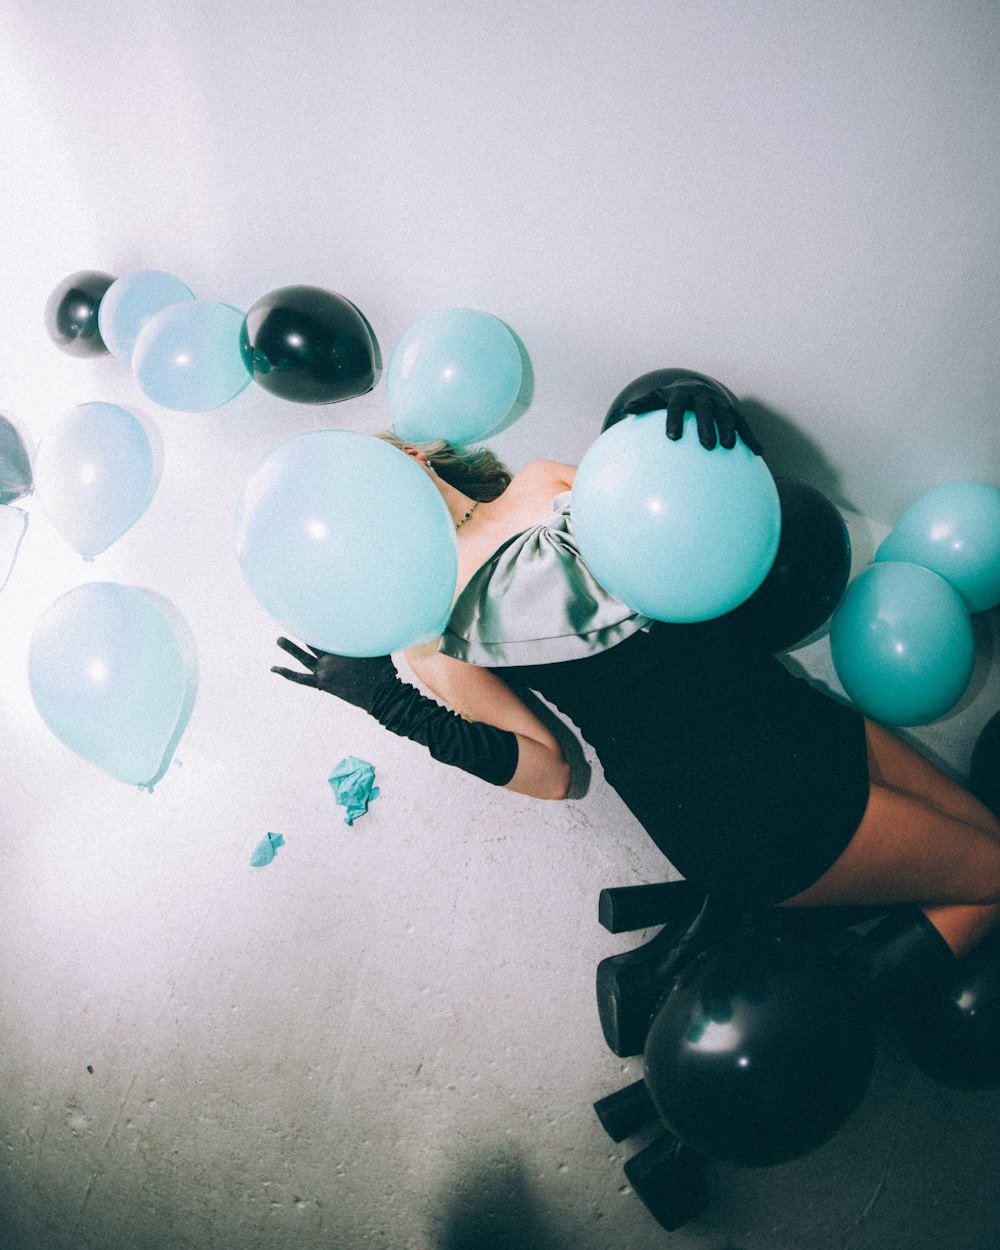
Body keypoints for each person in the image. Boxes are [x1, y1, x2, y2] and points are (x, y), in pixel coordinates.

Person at [271, 371, 1000, 1061]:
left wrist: (704, 436)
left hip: (791, 714)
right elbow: (551, 774)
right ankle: (843, 1012)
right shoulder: (433, 639)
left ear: (410, 452)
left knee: (987, 844)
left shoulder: (545, 482)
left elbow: (701, 546)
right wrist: (390, 703)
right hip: (732, 802)